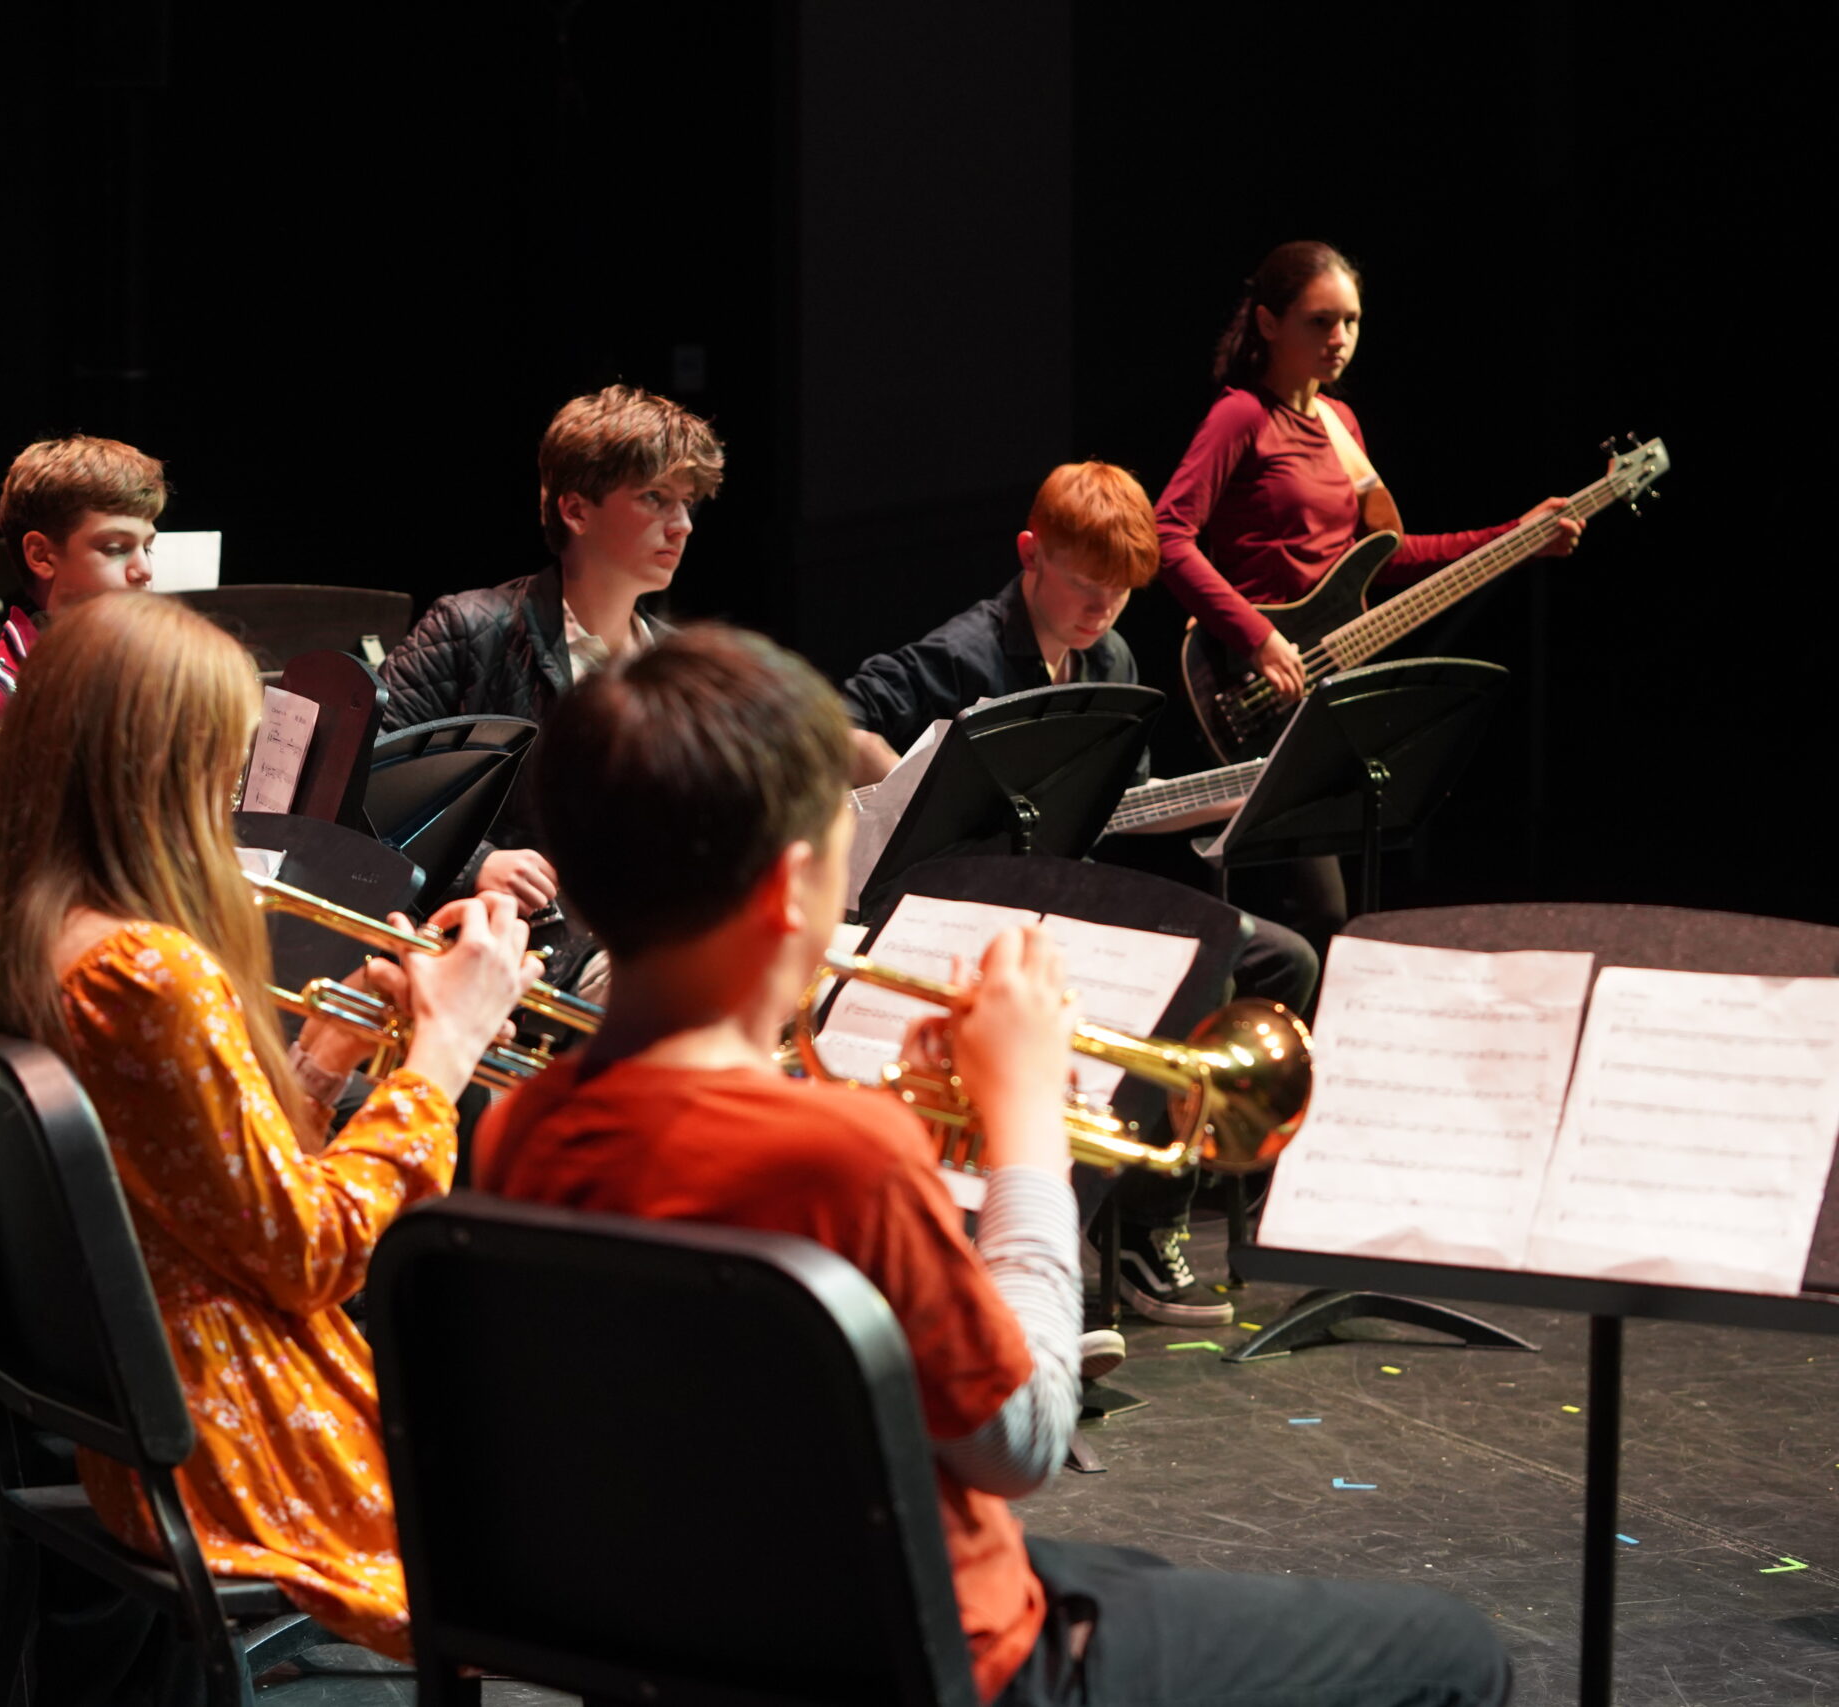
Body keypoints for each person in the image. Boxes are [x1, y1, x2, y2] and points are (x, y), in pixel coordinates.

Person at [475, 624, 1511, 1707]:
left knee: (1132, 1575)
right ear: (791, 888)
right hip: (931, 1656)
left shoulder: (517, 1132)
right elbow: (1022, 1439)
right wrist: (1023, 1127)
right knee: (1455, 1649)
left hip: (696, 1636)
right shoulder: (840, 1158)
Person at [0, 591, 537, 1662]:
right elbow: (311, 1252)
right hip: (227, 1438)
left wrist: (328, 1053)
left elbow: (209, 1193)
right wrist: (446, 1050)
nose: (234, 802)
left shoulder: (35, 935)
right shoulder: (144, 971)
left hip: (143, 1424)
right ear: (159, 773)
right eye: (223, 769)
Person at [837, 461, 1315, 1325]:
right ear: (1031, 554)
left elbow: (1125, 802)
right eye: (1087, 585)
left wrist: (1233, 794)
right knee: (1185, 981)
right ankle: (1138, 1233)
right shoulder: (964, 652)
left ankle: (1152, 1212)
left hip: (1070, 894)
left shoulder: (1110, 653)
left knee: (1277, 958)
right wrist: (911, 781)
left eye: (1120, 592)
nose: (1102, 609)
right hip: (980, 916)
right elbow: (838, 722)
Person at [1152, 239, 1583, 944]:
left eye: (1351, 321)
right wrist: (1258, 638)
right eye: (1320, 321)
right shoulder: (1241, 416)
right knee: (1313, 915)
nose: (1340, 338)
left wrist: (1516, 536)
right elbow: (1168, 534)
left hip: (1325, 691)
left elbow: (1383, 558)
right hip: (1248, 689)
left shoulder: (1339, 423)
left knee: (1333, 914)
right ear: (1268, 323)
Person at [377, 383, 723, 908]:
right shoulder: (469, 628)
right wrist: (475, 864)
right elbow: (365, 783)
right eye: (655, 498)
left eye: (687, 503)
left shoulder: (679, 665)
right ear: (577, 512)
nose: (683, 526)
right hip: (512, 935)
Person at [0, 435, 164, 867]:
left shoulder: (129, 678)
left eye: (147, 546)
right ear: (41, 555)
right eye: (116, 549)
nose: (144, 569)